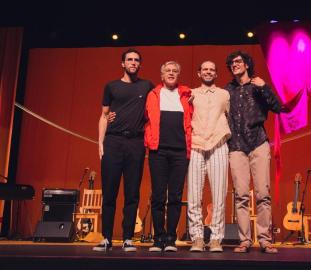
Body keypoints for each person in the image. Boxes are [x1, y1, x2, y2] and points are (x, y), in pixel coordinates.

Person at [93, 48, 154, 252]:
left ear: (139, 64)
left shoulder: (147, 86)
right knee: (109, 192)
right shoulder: (111, 86)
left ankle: (128, 237)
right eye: (129, 59)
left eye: (136, 60)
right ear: (123, 63)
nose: (133, 62)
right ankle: (107, 237)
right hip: (113, 142)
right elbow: (104, 115)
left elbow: (157, 106)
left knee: (132, 192)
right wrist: (100, 143)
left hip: (135, 143)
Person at [225, 51, 281, 254]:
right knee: (240, 195)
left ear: (247, 64)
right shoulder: (227, 90)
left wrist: (264, 87)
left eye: (238, 61)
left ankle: (265, 239)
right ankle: (245, 240)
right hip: (237, 146)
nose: (235, 65)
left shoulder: (258, 86)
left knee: (263, 194)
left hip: (258, 143)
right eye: (232, 63)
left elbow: (278, 107)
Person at [144, 61, 193, 252]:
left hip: (180, 152)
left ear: (178, 74)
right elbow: (139, 116)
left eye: (175, 71)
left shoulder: (187, 95)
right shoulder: (153, 95)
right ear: (161, 75)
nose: (171, 73)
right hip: (158, 151)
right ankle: (158, 239)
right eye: (168, 71)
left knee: (175, 196)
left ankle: (171, 239)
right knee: (157, 196)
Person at [187, 61, 231, 252]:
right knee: (194, 195)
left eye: (212, 69)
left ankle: (216, 239)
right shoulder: (191, 93)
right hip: (196, 144)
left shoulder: (224, 94)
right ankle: (197, 237)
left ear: (216, 74)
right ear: (199, 73)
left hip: (218, 144)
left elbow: (231, 116)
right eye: (204, 69)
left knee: (220, 194)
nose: (208, 72)